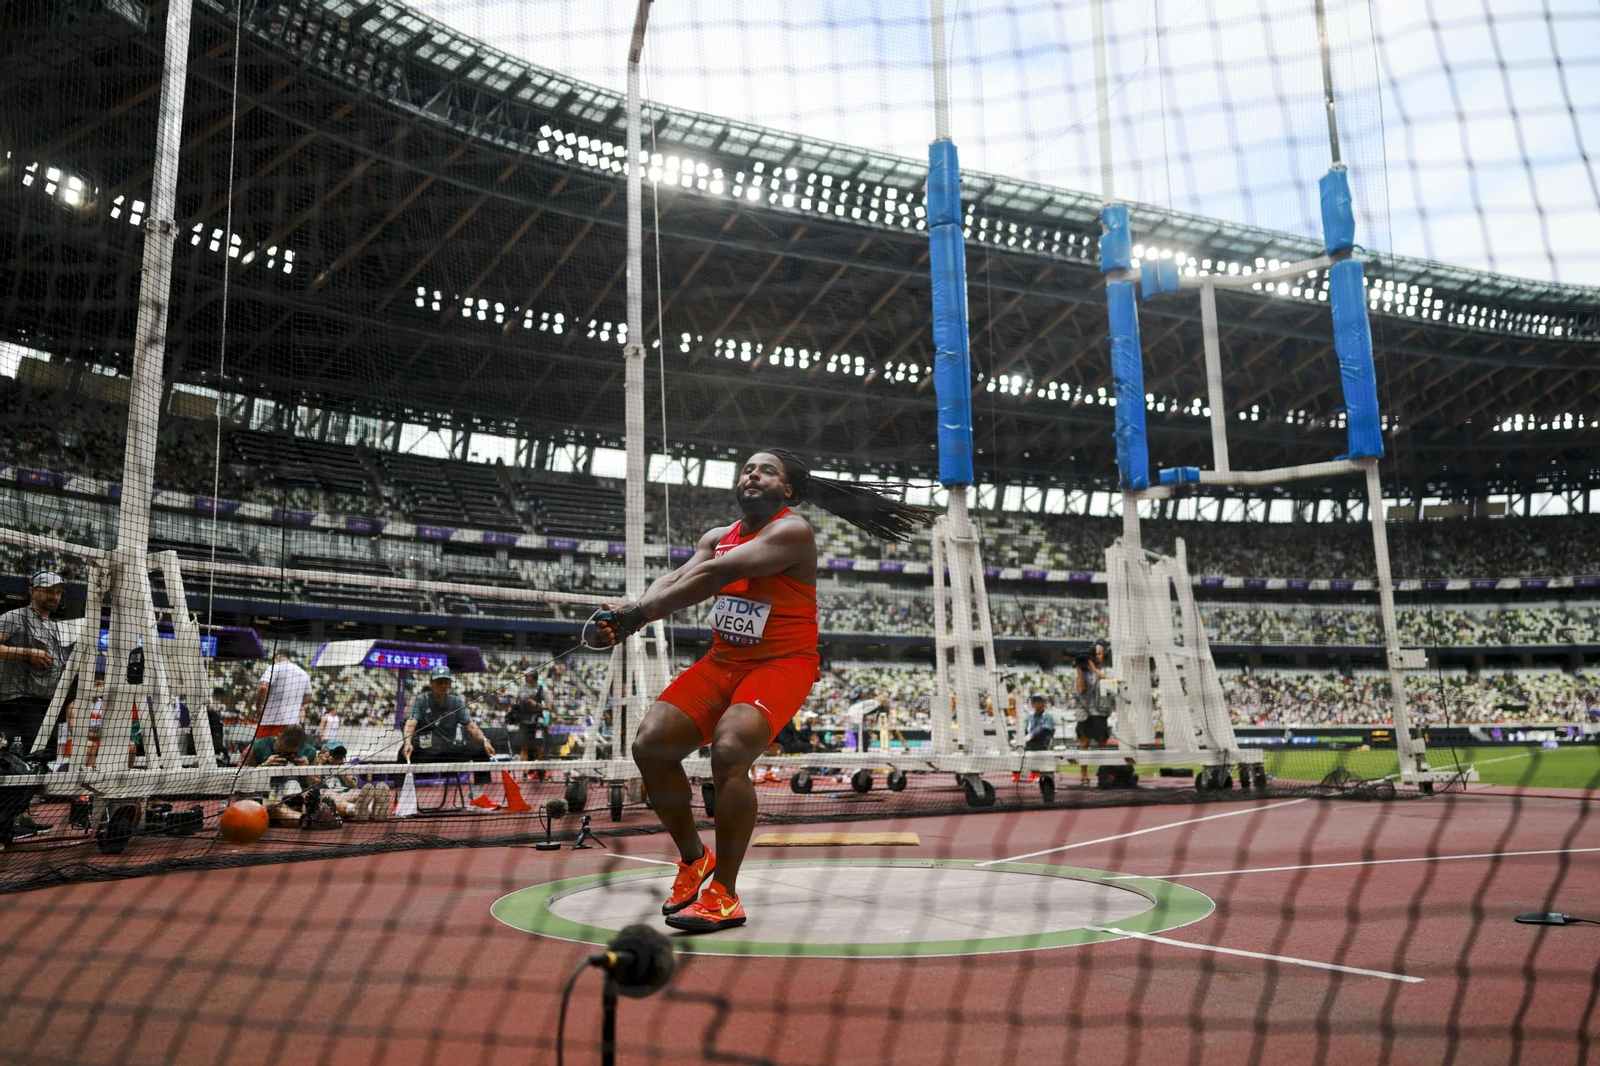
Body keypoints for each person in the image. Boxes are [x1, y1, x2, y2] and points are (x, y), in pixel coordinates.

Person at [598, 448, 934, 933]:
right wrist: (630, 610)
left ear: (787, 489)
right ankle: (695, 859)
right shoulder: (716, 537)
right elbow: (676, 576)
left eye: (767, 470)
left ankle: (724, 895)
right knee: (650, 746)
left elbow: (716, 574)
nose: (753, 474)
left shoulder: (792, 532)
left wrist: (637, 617)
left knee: (730, 750)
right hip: (723, 662)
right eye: (748, 469)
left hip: (781, 664)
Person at [0, 571, 77, 760]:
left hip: (48, 702)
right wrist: (27, 653)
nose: (54, 596)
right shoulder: (14, 617)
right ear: (32, 591)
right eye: (48, 591)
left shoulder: (54, 626)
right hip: (20, 701)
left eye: (58, 592)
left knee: (45, 758)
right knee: (28, 758)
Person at [401, 665, 496, 762]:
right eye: (439, 682)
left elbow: (471, 726)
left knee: (481, 750)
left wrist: (485, 740)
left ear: (449, 684)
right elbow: (410, 724)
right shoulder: (420, 701)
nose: (442, 686)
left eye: (445, 682)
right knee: (403, 753)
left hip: (447, 751)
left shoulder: (456, 702)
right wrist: (407, 743)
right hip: (424, 750)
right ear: (431, 683)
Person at [1074, 641, 1115, 785]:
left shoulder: (1108, 671)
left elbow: (1110, 684)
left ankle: (1104, 773)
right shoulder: (1083, 671)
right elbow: (1081, 690)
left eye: (1099, 654)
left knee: (1102, 743)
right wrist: (1079, 672)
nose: (1096, 656)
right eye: (1094, 654)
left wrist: (1094, 669)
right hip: (1085, 713)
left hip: (1100, 713)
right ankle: (1083, 774)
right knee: (1084, 744)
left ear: (1103, 656)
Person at [253, 650, 313, 741]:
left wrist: (259, 706)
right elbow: (309, 697)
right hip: (292, 724)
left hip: (270, 722)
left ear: (276, 658)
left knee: (261, 748)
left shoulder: (274, 668)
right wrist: (295, 704)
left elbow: (263, 687)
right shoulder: (303, 673)